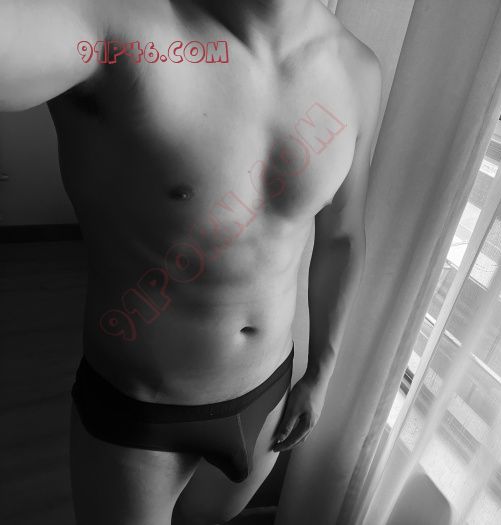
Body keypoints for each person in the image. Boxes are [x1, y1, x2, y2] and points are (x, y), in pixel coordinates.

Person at [0, 0, 381, 522]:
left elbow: (342, 236)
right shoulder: (119, 27)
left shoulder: (357, 69)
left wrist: (321, 372)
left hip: (268, 393)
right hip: (140, 414)